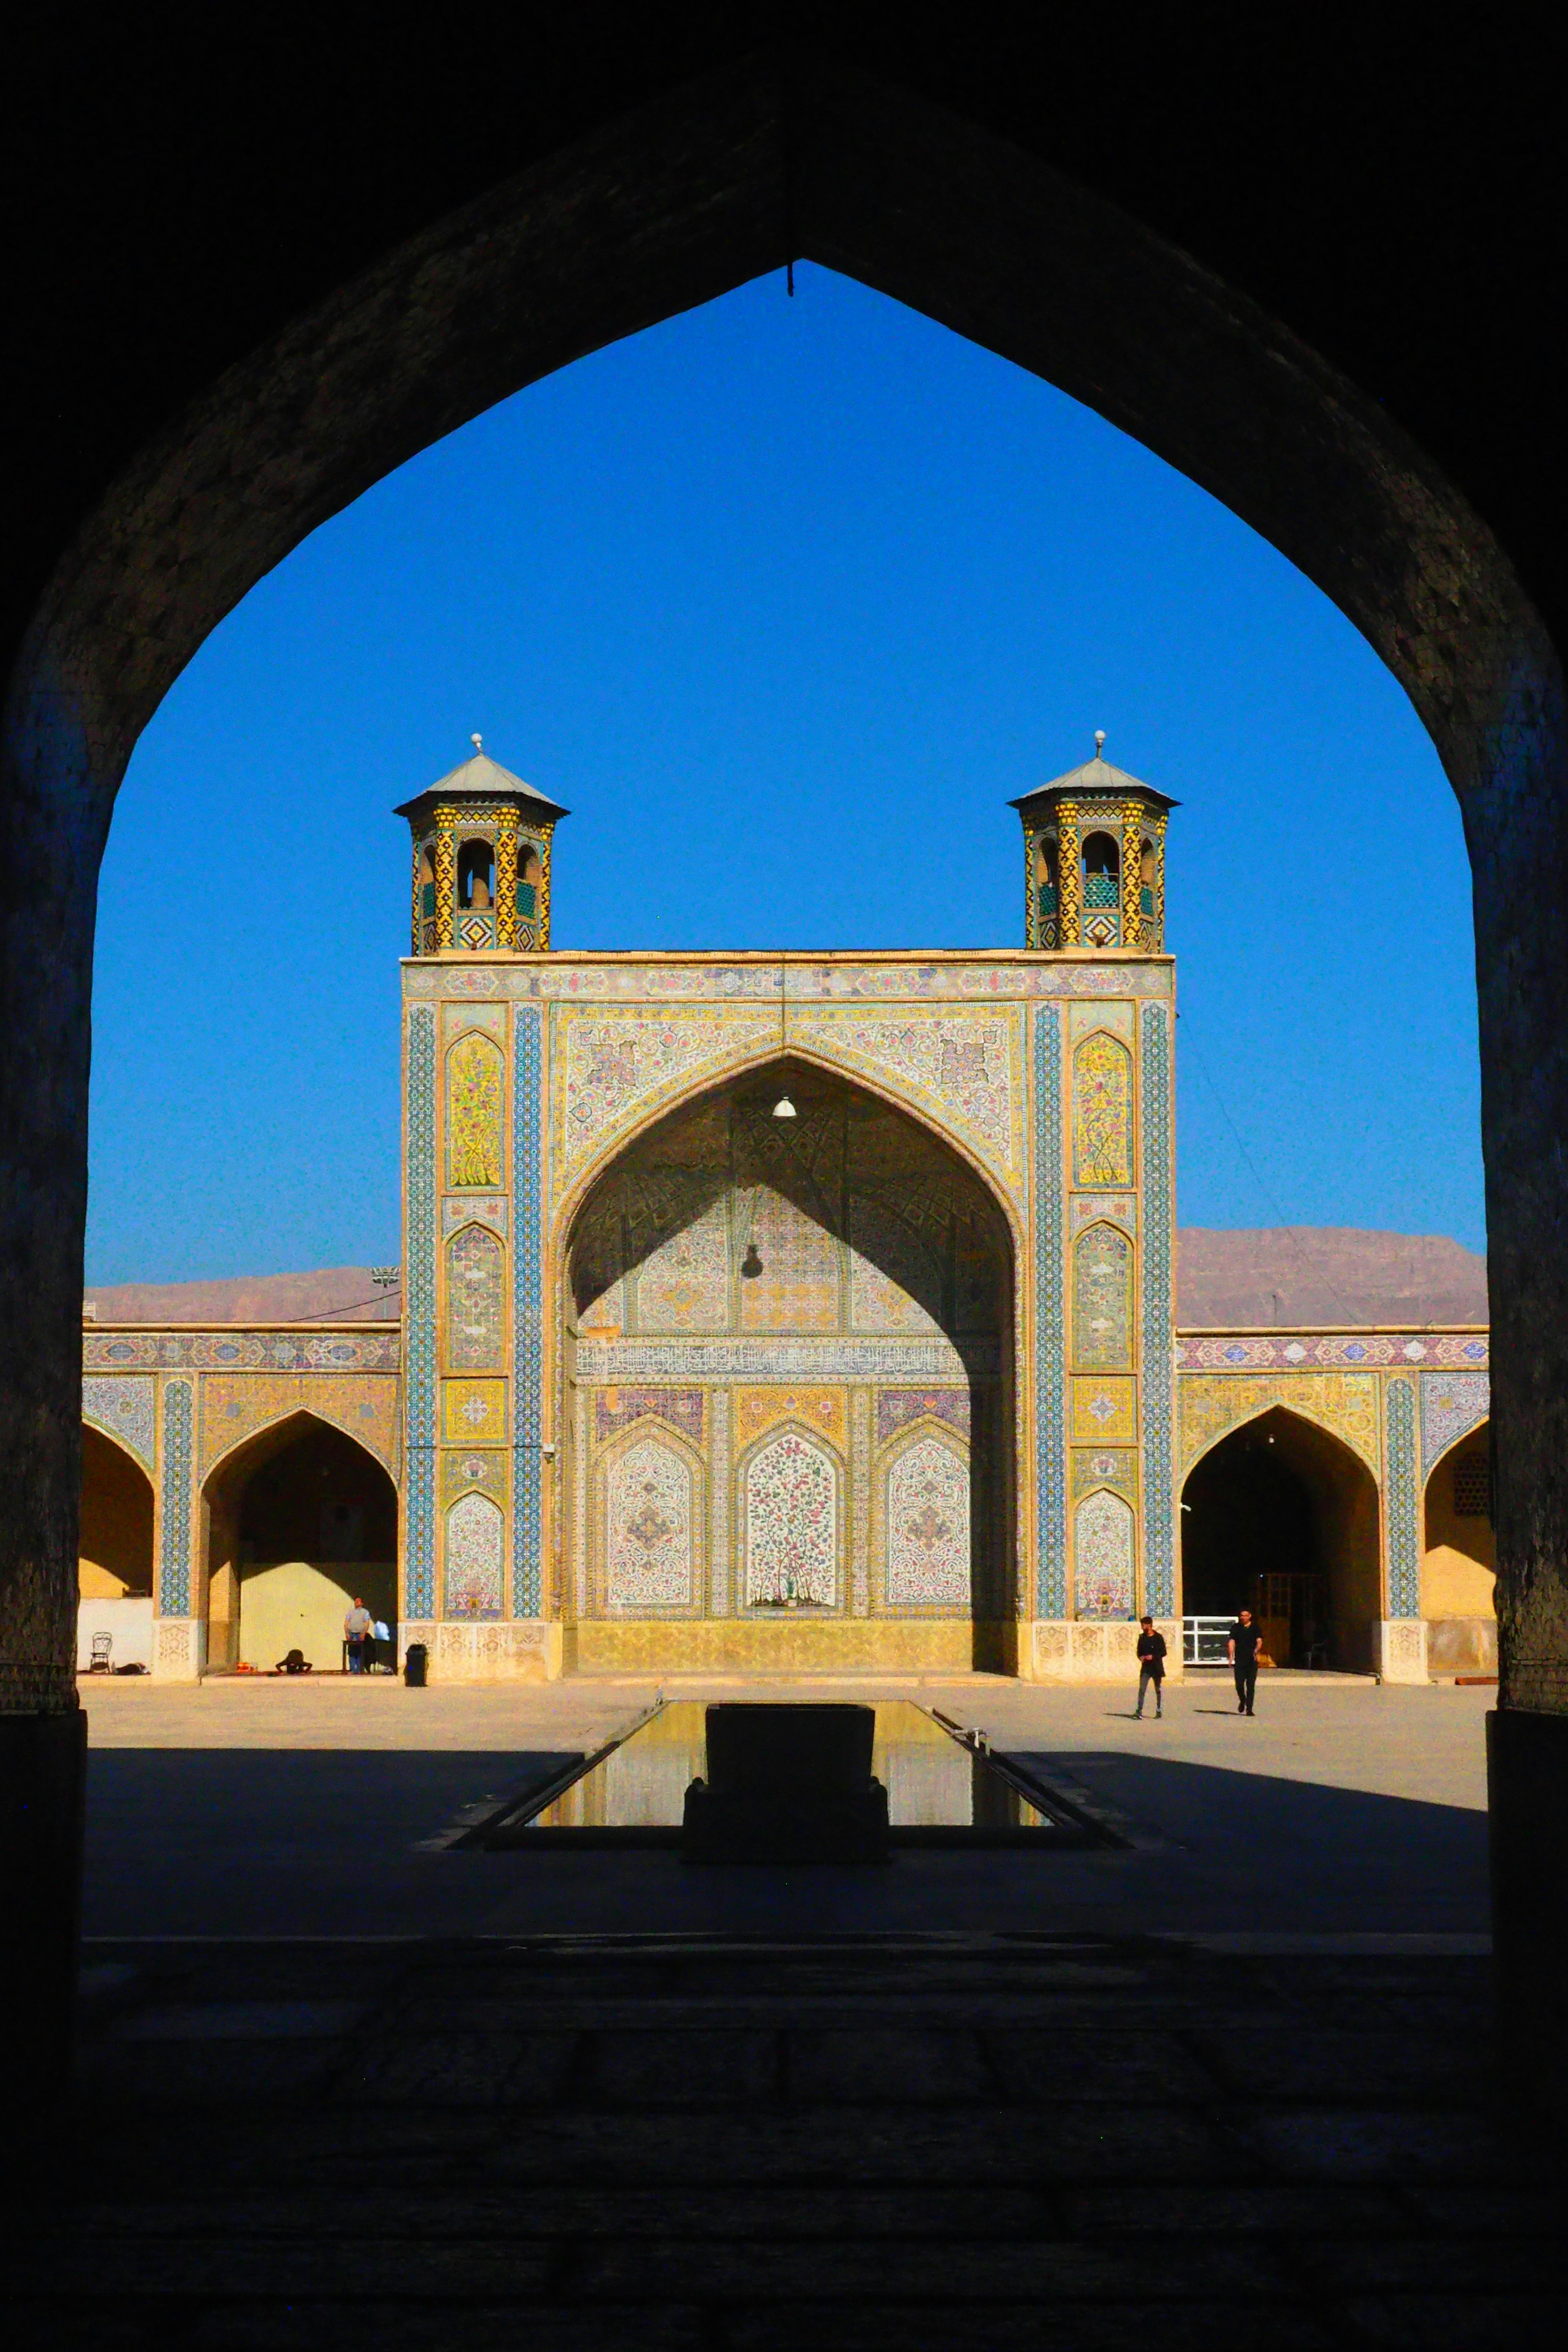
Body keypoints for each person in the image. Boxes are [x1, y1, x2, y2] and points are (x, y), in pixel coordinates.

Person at [1228, 1606, 1261, 1716]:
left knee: (1251, 1685)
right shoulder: (1236, 1628)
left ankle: (1249, 1709)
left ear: (1250, 1616)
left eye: (1245, 1616)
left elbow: (1259, 1640)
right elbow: (1232, 1642)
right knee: (1239, 1684)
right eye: (1242, 1616)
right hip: (1240, 1660)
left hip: (1252, 1660)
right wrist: (1231, 1656)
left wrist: (1256, 1650)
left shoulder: (1255, 1627)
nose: (1243, 1618)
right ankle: (1243, 1700)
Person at [1135, 1615, 1167, 1719]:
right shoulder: (1142, 1638)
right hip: (1146, 1668)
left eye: (1143, 1625)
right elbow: (1139, 1652)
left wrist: (1153, 1656)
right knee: (1142, 1690)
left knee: (1158, 1690)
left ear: (1149, 1625)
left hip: (1156, 1668)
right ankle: (1139, 1711)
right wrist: (1141, 1657)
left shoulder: (1158, 1637)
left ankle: (1159, 1710)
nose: (1142, 1627)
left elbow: (1163, 1652)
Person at [344, 1597, 373, 1673]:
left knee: (359, 1652)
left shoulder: (365, 1612)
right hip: (352, 1634)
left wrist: (364, 1634)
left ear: (362, 1603)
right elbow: (346, 1623)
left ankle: (359, 1670)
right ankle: (353, 1670)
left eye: (358, 1601)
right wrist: (347, 1633)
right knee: (351, 1653)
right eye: (356, 1601)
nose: (356, 1602)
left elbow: (367, 1624)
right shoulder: (351, 1612)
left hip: (360, 1634)